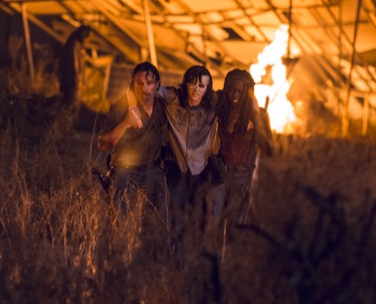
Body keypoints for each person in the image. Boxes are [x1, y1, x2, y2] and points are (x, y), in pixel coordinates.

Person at [97, 61, 169, 220]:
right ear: (133, 83)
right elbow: (102, 144)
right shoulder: (121, 107)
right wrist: (126, 123)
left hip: (153, 170)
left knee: (160, 220)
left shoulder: (162, 107)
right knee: (120, 220)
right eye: (139, 83)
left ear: (157, 85)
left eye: (149, 83)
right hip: (125, 170)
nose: (144, 89)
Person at [156, 65, 219, 243]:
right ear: (186, 84)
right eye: (192, 84)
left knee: (199, 216)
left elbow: (246, 99)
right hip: (177, 167)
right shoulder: (173, 98)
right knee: (177, 215)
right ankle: (175, 255)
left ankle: (195, 257)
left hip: (201, 170)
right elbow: (148, 88)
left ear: (207, 88)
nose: (196, 90)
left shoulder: (213, 104)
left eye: (202, 86)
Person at [211, 69, 274, 232]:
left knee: (232, 227)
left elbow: (269, 150)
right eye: (231, 89)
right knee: (212, 224)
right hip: (218, 175)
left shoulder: (257, 115)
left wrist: (257, 121)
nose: (235, 95)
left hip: (241, 179)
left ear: (248, 92)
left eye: (240, 91)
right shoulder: (220, 108)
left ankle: (227, 257)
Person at [58, 25, 92, 109]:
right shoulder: (74, 45)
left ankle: (67, 117)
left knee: (70, 104)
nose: (88, 40)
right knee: (70, 105)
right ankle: (66, 119)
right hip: (71, 81)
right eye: (88, 37)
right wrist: (77, 79)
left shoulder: (75, 44)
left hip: (71, 81)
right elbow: (73, 64)